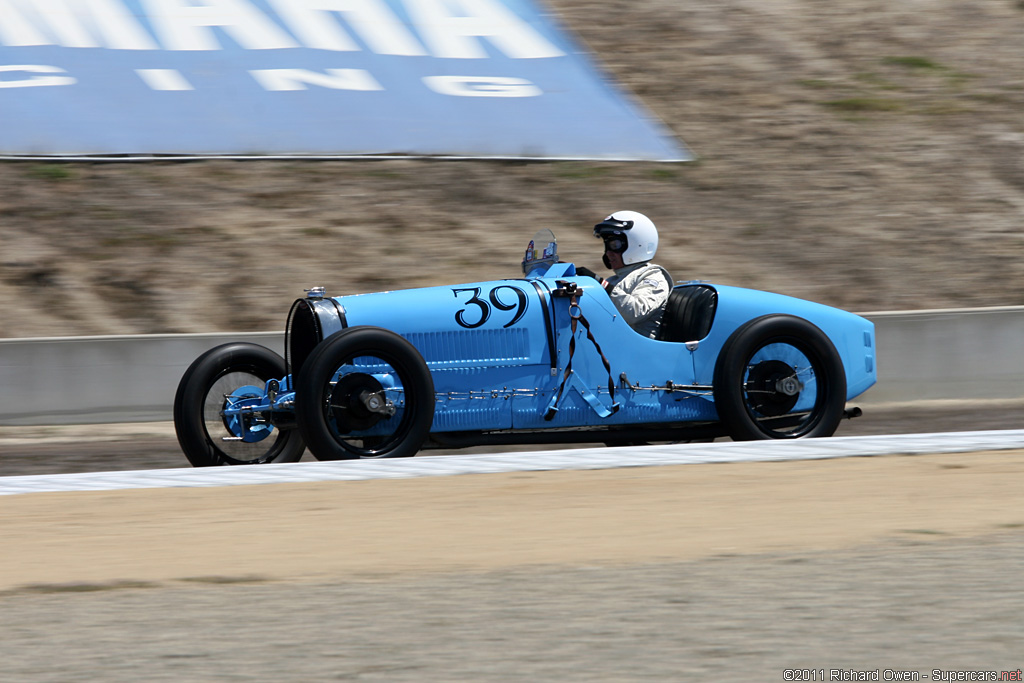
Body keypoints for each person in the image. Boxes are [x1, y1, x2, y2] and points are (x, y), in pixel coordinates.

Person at [576, 211, 672, 338]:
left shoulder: (653, 277)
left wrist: (600, 284)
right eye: (607, 246)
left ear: (638, 244)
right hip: (608, 347)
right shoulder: (616, 279)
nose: (608, 253)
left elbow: (634, 312)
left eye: (615, 245)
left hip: (636, 352)